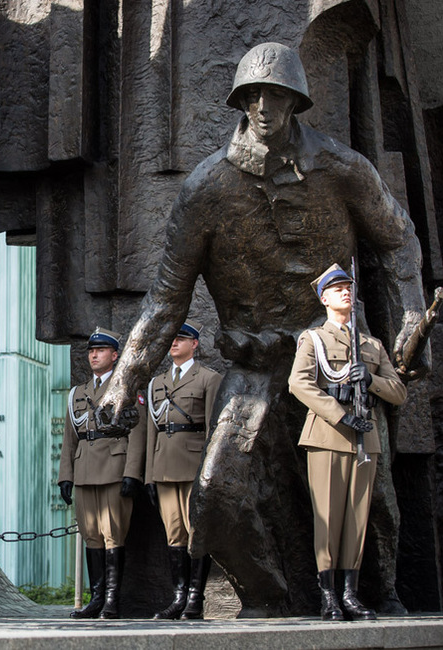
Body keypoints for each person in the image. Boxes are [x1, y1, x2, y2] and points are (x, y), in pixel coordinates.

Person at [94, 42, 426, 614]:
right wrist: (126, 375)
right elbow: (167, 298)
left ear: (296, 101)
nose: (264, 106)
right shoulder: (207, 188)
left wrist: (413, 312)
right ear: (241, 103)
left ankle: (378, 599)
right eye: (253, 96)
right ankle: (271, 601)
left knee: (371, 496)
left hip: (336, 358)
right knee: (215, 497)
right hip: (256, 365)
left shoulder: (342, 168)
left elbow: (398, 243)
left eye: (276, 94)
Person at [288, 264, 407, 621]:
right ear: (324, 298)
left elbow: (398, 392)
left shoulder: (372, 345)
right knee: (328, 519)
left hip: (364, 437)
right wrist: (340, 415)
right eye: (337, 288)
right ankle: (328, 597)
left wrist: (370, 379)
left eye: (348, 287)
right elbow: (299, 383)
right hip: (328, 435)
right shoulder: (314, 339)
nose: (345, 293)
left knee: (356, 518)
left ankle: (350, 594)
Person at [57, 327, 146, 620]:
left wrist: (132, 473)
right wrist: (65, 476)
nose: (94, 355)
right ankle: (96, 598)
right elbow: (70, 438)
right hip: (83, 470)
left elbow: (137, 433)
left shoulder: (126, 389)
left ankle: (111, 600)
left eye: (101, 350)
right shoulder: (77, 393)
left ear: (115, 355)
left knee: (113, 536)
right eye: (91, 351)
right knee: (91, 536)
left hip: (113, 468)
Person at [143, 320, 222, 620]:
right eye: (171, 338)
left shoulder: (208, 379)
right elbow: (153, 431)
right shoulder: (158, 383)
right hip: (164, 467)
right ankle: (179, 597)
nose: (174, 343)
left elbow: (211, 428)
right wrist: (149, 474)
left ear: (195, 344)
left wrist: (208, 472)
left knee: (196, 534)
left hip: (193, 466)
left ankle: (195, 599)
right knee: (174, 535)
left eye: (181, 338)